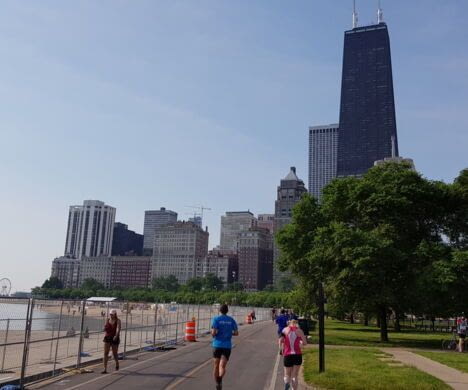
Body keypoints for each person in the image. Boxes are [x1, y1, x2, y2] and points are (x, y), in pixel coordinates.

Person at [211, 304, 238, 390]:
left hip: (217, 345)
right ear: (227, 311)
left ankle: (217, 384)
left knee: (216, 366)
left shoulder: (216, 319)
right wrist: (230, 333)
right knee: (222, 366)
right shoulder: (231, 320)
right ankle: (220, 380)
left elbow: (213, 333)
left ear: (220, 310)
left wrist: (215, 334)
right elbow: (236, 333)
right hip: (227, 346)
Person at [279, 319, 307, 390]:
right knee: (295, 376)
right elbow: (305, 343)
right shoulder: (299, 331)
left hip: (287, 354)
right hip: (297, 355)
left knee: (287, 374)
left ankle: (287, 383)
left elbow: (280, 340)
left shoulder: (284, 330)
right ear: (297, 324)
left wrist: (281, 349)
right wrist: (300, 343)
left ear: (289, 323)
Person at [102, 309, 121, 374]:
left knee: (115, 353)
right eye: (110, 314)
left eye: (112, 314)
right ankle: (105, 369)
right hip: (107, 337)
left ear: (115, 314)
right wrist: (103, 328)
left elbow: (118, 328)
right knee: (105, 353)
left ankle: (117, 363)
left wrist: (116, 335)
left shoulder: (118, 321)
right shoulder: (107, 319)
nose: (111, 315)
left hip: (114, 338)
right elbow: (105, 327)